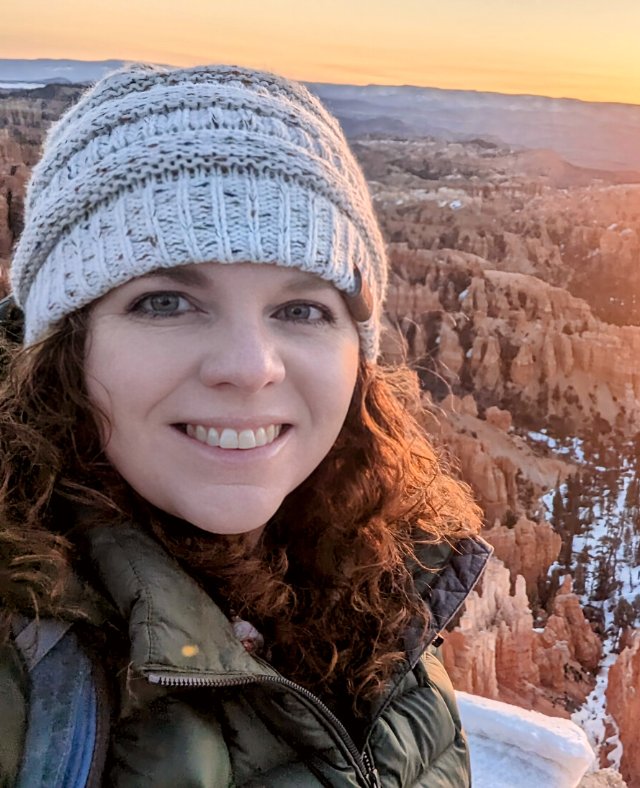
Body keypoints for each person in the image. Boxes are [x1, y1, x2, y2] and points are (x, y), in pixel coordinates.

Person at [0, 62, 490, 786]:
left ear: (358, 360)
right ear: (66, 348)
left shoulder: (382, 587)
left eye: (301, 309)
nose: (250, 366)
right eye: (165, 302)